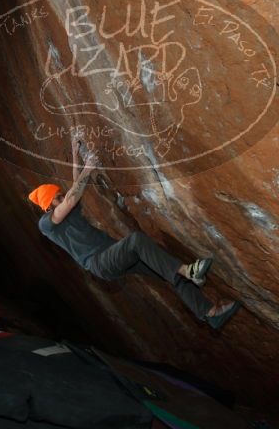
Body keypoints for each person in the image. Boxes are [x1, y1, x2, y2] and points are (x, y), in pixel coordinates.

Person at [28, 137, 240, 329]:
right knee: (136, 241)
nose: (63, 196)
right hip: (99, 262)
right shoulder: (47, 225)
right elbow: (72, 197)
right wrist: (88, 168)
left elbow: (74, 188)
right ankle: (188, 271)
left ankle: (209, 313)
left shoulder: (68, 213)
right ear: (48, 206)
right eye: (58, 196)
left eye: (61, 194)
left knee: (166, 268)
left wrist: (76, 155)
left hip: (111, 253)